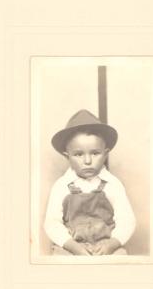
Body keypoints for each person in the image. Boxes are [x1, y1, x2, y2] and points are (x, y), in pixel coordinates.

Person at [44, 109, 136, 255]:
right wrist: (72, 246)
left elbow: (127, 220)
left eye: (95, 153)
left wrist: (112, 244)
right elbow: (52, 223)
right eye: (79, 154)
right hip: (72, 247)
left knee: (119, 260)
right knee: (60, 261)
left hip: (106, 247)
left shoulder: (113, 184)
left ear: (105, 154)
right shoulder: (61, 186)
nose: (87, 161)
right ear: (67, 156)